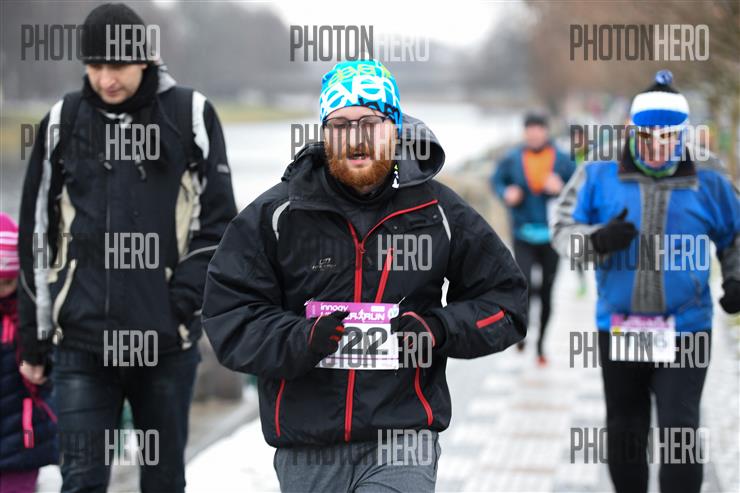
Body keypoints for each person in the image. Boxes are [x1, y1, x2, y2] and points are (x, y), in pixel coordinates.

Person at [202, 59, 528, 492]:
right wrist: (301, 338)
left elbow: (507, 302)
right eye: (340, 126)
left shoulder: (437, 212)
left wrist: (437, 329)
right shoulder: (278, 215)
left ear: (395, 129)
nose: (356, 139)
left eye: (370, 123)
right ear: (324, 134)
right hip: (307, 445)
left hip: (403, 438)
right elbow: (229, 316)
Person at [17, 4, 236, 491]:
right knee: (81, 482)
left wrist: (179, 307)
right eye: (95, 66)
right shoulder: (63, 120)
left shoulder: (190, 115)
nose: (105, 79)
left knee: (163, 482)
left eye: (116, 65)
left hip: (165, 344)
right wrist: (34, 337)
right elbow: (36, 231)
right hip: (81, 345)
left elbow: (220, 226)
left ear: (144, 59)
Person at [551, 70, 740, 493]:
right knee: (625, 430)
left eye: (668, 137)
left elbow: (735, 235)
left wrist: (735, 277)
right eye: (646, 136)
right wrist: (596, 240)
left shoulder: (708, 175)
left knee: (679, 431)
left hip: (686, 327)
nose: (656, 147)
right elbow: (562, 229)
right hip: (621, 325)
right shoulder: (599, 169)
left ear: (683, 133)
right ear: (630, 129)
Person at [492, 113, 575, 365]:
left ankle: (541, 345)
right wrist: (506, 192)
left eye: (539, 129)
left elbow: (579, 188)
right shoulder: (512, 158)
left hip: (552, 237)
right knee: (523, 285)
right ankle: (522, 330)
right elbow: (496, 180)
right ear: (525, 133)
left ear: (546, 131)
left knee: (548, 291)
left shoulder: (562, 159)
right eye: (530, 130)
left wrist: (561, 188)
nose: (535, 134)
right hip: (523, 234)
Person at [0, 213, 58, 493]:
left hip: (22, 443)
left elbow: (52, 370)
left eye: (7, 284)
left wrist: (41, 367)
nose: (1, 292)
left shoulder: (31, 318)